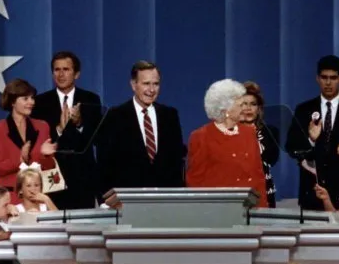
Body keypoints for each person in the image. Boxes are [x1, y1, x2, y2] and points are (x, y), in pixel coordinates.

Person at [285, 56, 339, 210]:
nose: (328, 83)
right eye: (324, 77)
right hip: (312, 191)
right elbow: (292, 147)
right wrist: (311, 139)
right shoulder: (303, 110)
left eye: (333, 78)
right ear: (317, 78)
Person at [98, 61, 185, 195]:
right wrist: (106, 199)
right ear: (133, 85)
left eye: (155, 84)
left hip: (165, 200)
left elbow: (176, 162)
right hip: (128, 201)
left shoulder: (170, 115)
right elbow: (105, 163)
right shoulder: (115, 116)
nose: (151, 90)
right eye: (146, 84)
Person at [31, 51, 103, 209]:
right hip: (52, 176)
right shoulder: (40, 102)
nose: (61, 74)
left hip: (83, 177)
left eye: (66, 69)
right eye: (57, 70)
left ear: (76, 74)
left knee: (84, 229)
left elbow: (97, 138)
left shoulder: (91, 99)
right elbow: (38, 142)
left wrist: (79, 124)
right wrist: (58, 130)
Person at [186, 79, 267, 207]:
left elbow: (258, 176)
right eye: (240, 105)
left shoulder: (249, 133)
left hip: (250, 209)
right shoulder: (201, 137)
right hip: (218, 211)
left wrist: (262, 210)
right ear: (226, 110)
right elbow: (195, 182)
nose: (245, 109)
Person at [0, 79, 57, 204]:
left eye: (32, 98)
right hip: (10, 198)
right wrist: (19, 160)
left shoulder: (42, 126)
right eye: (25, 99)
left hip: (37, 197)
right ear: (13, 101)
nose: (31, 102)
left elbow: (49, 168)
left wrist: (45, 156)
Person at [240, 82, 280, 207]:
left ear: (259, 109)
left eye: (253, 104)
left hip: (264, 190)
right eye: (244, 104)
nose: (248, 108)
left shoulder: (270, 131)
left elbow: (272, 159)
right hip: (239, 190)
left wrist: (252, 135)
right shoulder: (230, 132)